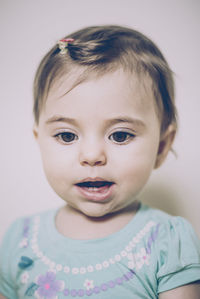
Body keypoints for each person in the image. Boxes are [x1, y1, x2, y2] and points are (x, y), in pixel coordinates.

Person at [0, 25, 200, 299]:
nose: (92, 155)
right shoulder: (19, 240)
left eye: (120, 135)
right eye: (67, 135)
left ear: (162, 147)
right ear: (40, 141)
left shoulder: (168, 240)